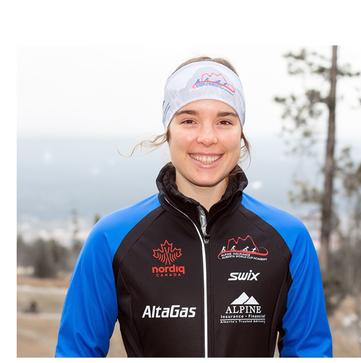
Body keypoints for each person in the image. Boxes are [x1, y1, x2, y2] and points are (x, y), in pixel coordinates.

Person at [55, 57, 333, 357]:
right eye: (189, 120)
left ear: (240, 132)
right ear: (168, 130)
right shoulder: (112, 238)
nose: (207, 137)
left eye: (225, 121)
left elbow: (311, 353)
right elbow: (75, 353)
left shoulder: (289, 239)